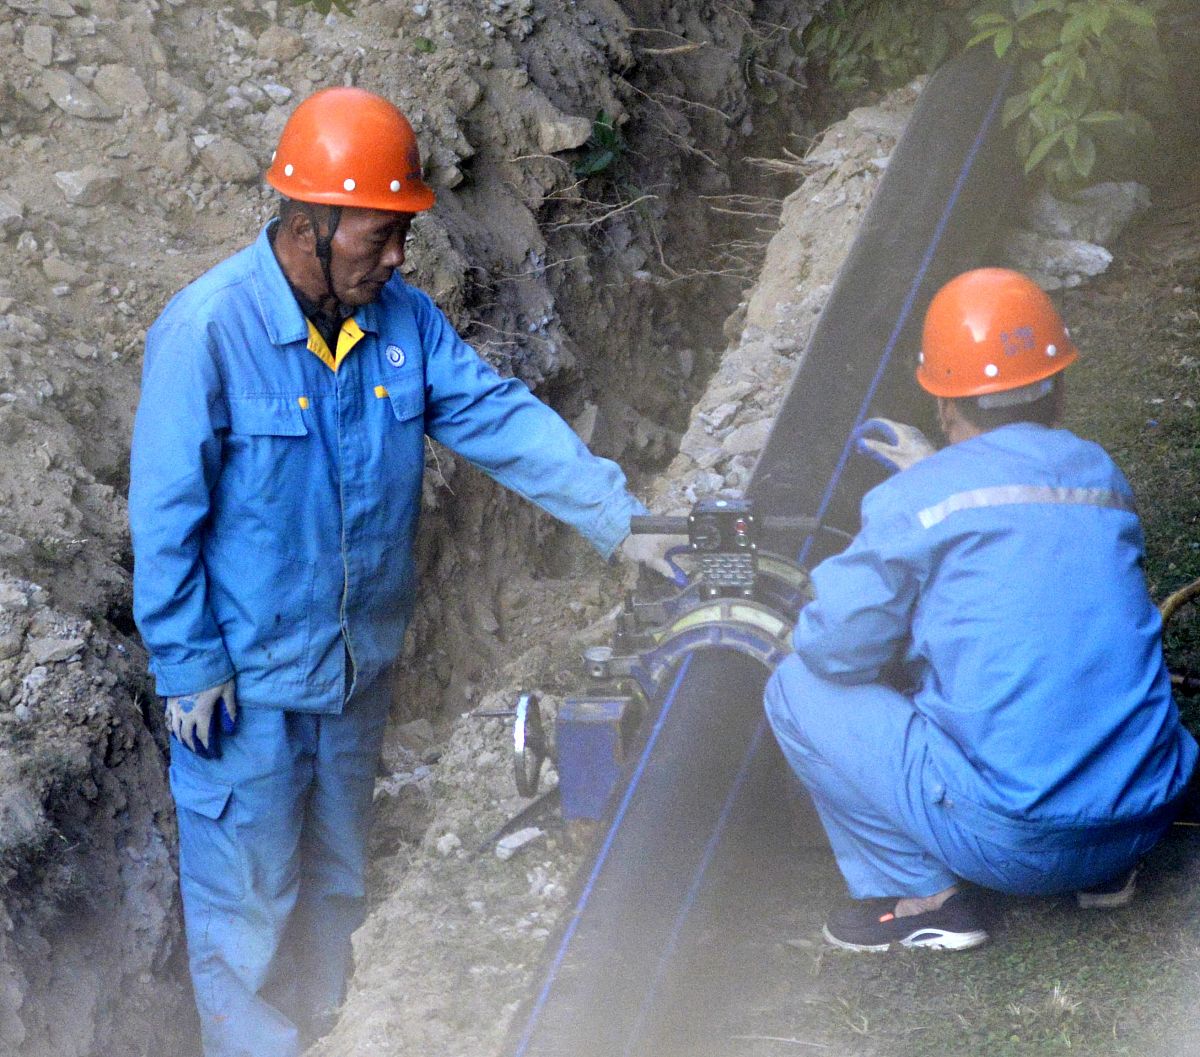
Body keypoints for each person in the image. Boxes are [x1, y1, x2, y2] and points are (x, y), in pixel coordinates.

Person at [129, 86, 667, 1056]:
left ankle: (342, 1035)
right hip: (244, 690)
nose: (398, 257)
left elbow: (494, 416)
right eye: (380, 236)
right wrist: (188, 662)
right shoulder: (209, 330)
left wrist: (620, 519)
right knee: (247, 911)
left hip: (353, 676)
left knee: (337, 886)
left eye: (402, 235)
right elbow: (166, 519)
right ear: (309, 225)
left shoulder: (402, 323)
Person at [764, 267, 1197, 953]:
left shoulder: (918, 501)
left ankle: (925, 899)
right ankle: (1107, 875)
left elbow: (835, 649)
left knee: (796, 685)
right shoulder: (1099, 474)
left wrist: (918, 497)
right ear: (1057, 387)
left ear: (943, 403)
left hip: (1019, 846)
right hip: (1142, 815)